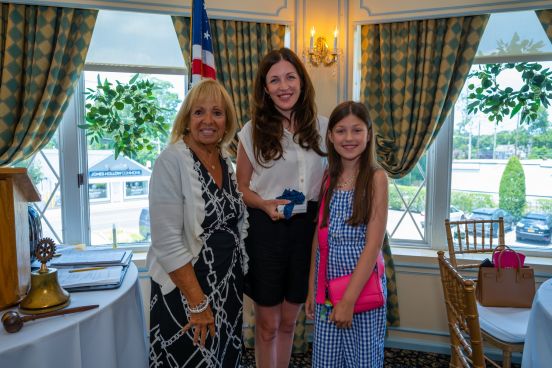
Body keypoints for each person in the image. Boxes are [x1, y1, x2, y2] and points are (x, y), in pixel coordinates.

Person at [147, 79, 249, 367]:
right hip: (187, 294)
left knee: (223, 358)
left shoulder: (224, 159)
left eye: (217, 112)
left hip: (227, 291)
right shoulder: (171, 161)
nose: (208, 120)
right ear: (186, 119)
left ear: (226, 120)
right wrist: (197, 302)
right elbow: (166, 241)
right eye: (198, 112)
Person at [236, 47, 327, 368]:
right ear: (265, 88)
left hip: (307, 235)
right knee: (268, 325)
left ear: (301, 81)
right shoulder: (251, 131)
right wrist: (263, 203)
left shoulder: (324, 128)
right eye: (274, 80)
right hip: (266, 233)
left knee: (290, 322)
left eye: (290, 77)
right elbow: (241, 187)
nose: (283, 86)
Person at [305, 101, 388, 367]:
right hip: (327, 288)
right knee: (326, 360)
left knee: (361, 360)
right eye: (341, 131)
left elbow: (373, 245)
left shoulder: (376, 178)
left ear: (368, 134)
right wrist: (311, 291)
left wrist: (348, 300)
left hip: (360, 289)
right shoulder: (328, 176)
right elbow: (319, 242)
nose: (349, 138)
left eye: (356, 130)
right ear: (330, 136)